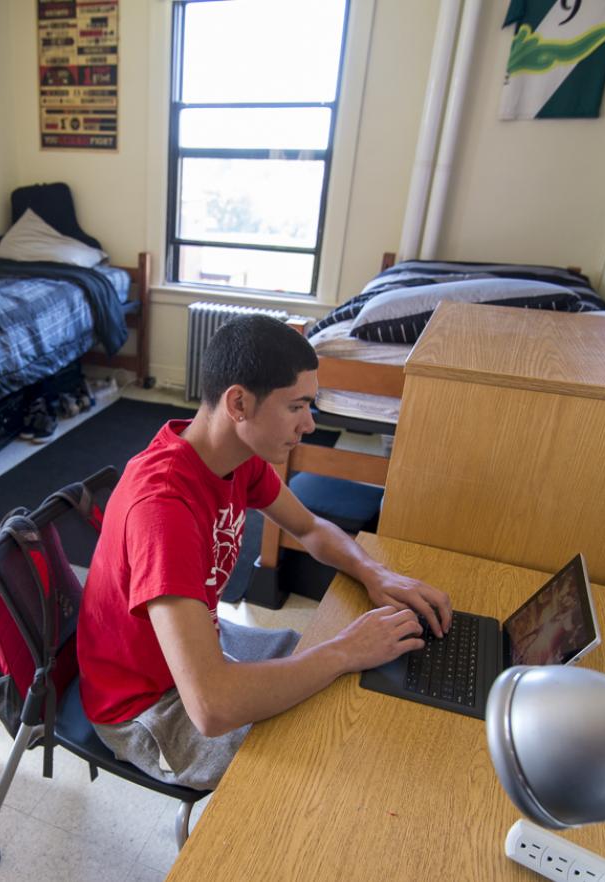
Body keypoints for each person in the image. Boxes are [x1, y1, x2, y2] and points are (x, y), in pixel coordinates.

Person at [77, 315, 453, 790]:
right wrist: (343, 652)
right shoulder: (162, 509)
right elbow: (211, 707)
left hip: (197, 653)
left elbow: (311, 527)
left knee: (351, 682)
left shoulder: (236, 458)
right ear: (238, 403)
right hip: (148, 709)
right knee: (326, 753)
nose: (310, 424)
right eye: (297, 406)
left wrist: (375, 572)